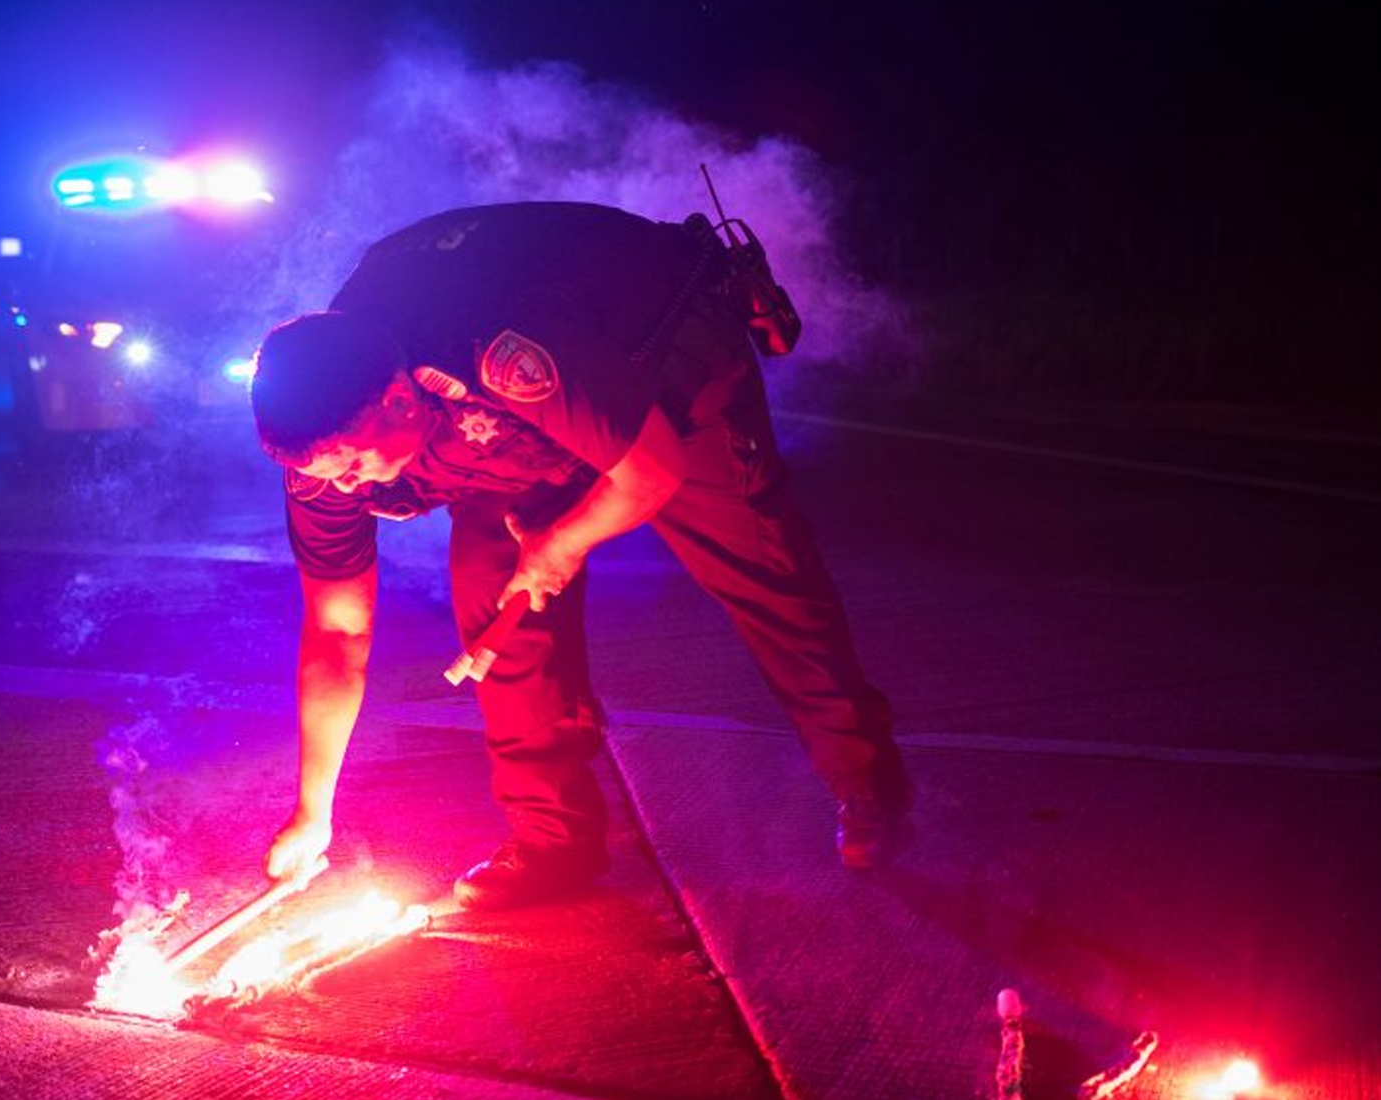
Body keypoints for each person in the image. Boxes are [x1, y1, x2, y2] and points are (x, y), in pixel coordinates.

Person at [249, 201, 909, 910]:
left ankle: (865, 785)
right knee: (495, 606)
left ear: (398, 402)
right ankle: (552, 840)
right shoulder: (322, 453)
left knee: (763, 573)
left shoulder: (496, 351)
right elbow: (338, 633)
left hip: (660, 374)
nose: (340, 487)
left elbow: (650, 473)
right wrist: (311, 812)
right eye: (322, 474)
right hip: (505, 437)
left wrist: (560, 544)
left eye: (350, 465)